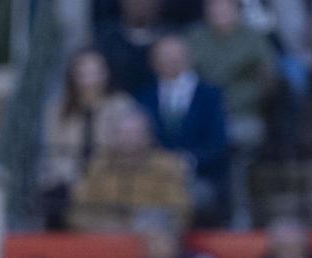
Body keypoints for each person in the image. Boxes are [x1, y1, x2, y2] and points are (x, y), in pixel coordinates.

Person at [188, 0, 279, 226]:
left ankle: (239, 215)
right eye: (214, 8)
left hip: (243, 115)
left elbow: (269, 77)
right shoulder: (195, 37)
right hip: (204, 119)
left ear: (239, 12)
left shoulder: (253, 38)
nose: (220, 13)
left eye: (226, 8)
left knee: (232, 145)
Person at [40, 47, 147, 228]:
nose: (90, 79)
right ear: (73, 76)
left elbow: (129, 146)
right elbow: (54, 152)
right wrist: (73, 179)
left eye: (96, 72)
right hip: (69, 179)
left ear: (106, 73)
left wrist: (93, 179)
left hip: (111, 175)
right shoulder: (57, 110)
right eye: (84, 73)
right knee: (53, 197)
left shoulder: (122, 105)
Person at [141, 33, 235, 224]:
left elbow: (219, 145)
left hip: (200, 177)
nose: (170, 61)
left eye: (176, 55)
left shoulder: (211, 96)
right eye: (164, 56)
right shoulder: (144, 98)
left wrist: (187, 162)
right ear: (153, 62)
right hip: (154, 178)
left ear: (189, 58)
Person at [70, 99, 197, 230]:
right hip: (105, 239)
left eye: (135, 133)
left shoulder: (167, 166)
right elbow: (76, 213)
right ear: (113, 136)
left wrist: (149, 222)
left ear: (148, 136)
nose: (128, 138)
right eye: (122, 133)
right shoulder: (97, 166)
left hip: (152, 237)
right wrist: (110, 226)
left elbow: (182, 213)